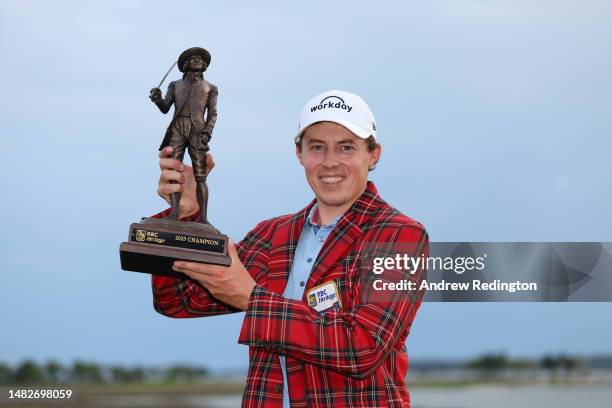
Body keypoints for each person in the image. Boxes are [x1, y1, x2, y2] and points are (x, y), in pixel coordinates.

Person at [152, 90, 428, 407]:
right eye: (317, 147)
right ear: (299, 153)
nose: (330, 162)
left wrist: (251, 298)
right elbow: (178, 301)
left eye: (347, 147)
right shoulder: (272, 235)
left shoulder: (400, 235)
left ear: (373, 154)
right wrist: (185, 217)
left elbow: (362, 348)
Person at [150, 47, 218, 223]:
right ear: (185, 65)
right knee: (174, 170)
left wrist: (207, 132)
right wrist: (157, 99)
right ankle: (174, 213)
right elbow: (165, 108)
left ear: (204, 66)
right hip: (177, 128)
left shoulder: (210, 88)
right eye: (193, 59)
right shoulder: (175, 85)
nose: (197, 61)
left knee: (200, 175)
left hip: (198, 131)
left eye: (200, 59)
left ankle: (203, 218)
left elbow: (212, 114)